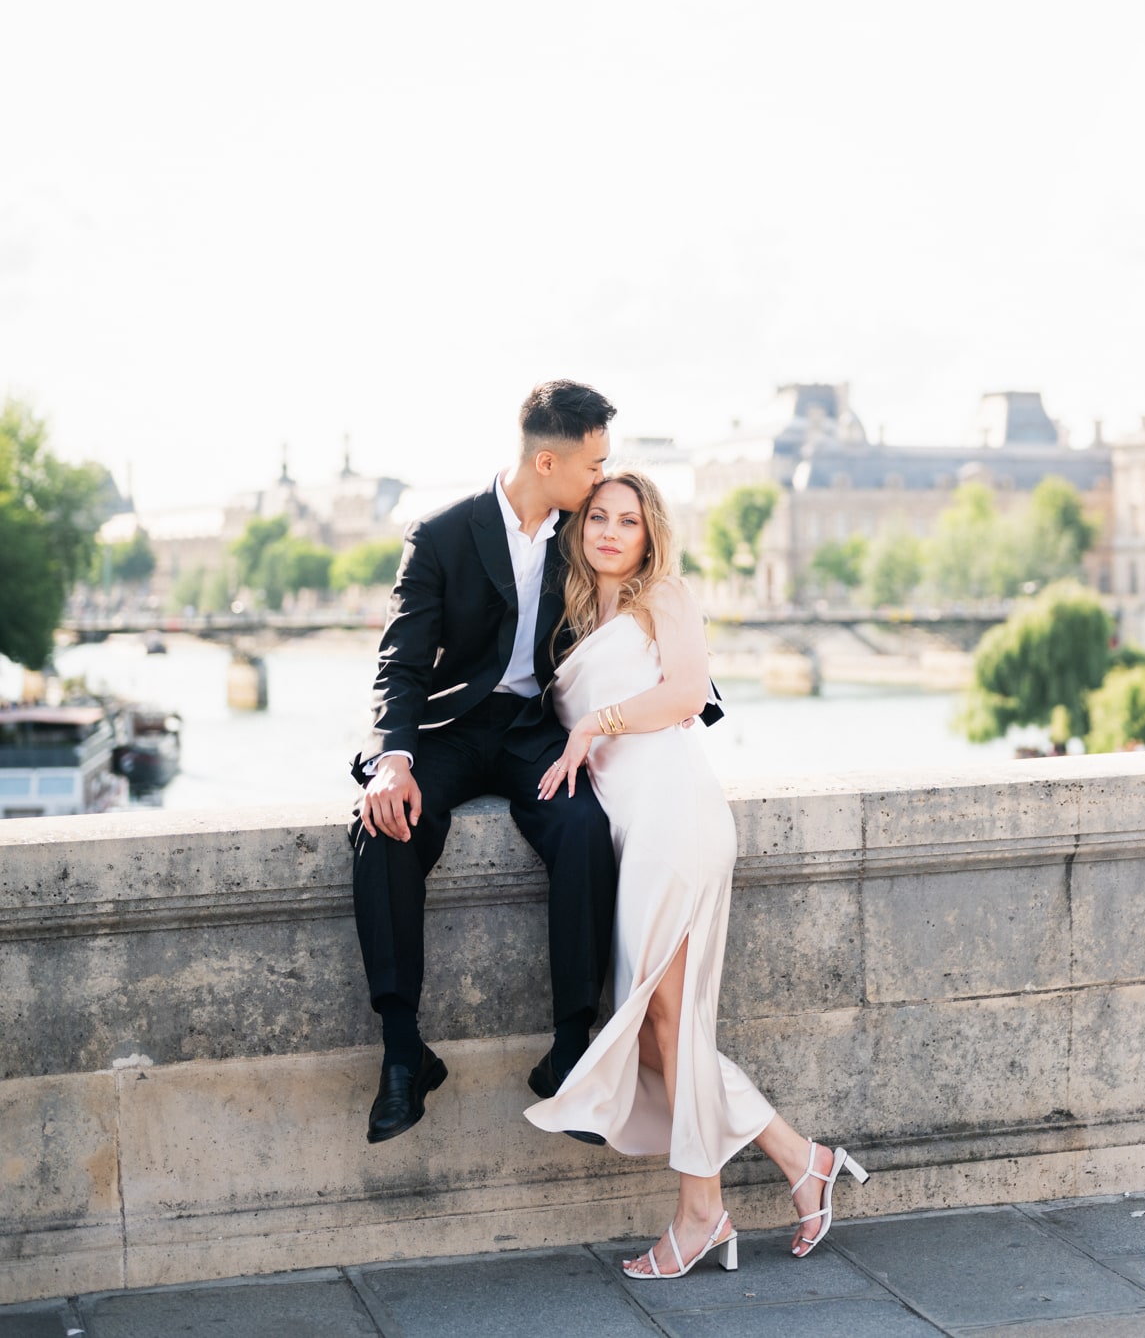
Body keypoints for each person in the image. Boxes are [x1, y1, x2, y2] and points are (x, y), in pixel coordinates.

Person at [525, 469, 870, 1277]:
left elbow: (684, 694)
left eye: (629, 522)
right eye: (599, 518)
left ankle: (702, 1213)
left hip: (677, 818)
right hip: (630, 832)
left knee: (672, 1026)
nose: (610, 531)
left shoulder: (664, 597)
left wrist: (594, 728)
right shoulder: (574, 617)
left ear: (650, 536)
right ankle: (801, 1159)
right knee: (654, 1030)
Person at [349, 380, 622, 1146]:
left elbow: (638, 598)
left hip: (537, 727)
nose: (601, 477)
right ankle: (403, 1052)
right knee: (385, 824)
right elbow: (400, 661)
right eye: (593, 464)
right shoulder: (440, 535)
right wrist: (392, 761)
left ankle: (570, 1050)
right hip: (451, 728)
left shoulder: (584, 529)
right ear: (546, 461)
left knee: (582, 827)